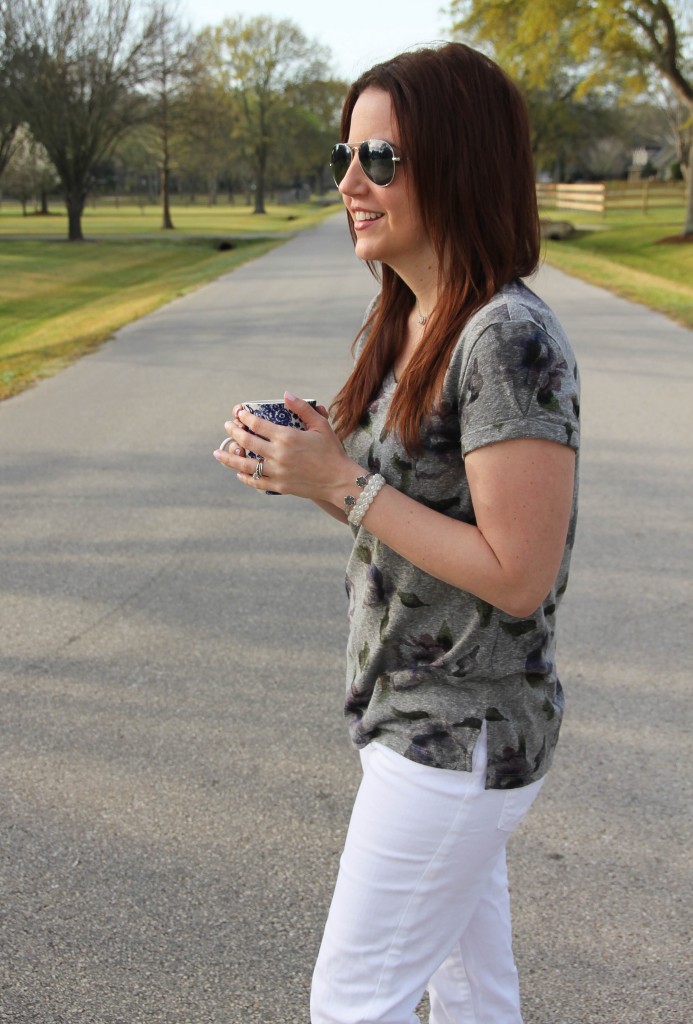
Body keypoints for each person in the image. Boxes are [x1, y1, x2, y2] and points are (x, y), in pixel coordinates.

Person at [213, 41, 580, 1024]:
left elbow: (518, 573)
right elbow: (413, 517)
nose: (349, 182)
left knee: (353, 1003)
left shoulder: (508, 337)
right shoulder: (417, 317)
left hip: (460, 731)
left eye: (379, 159)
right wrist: (314, 470)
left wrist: (344, 481)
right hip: (414, 714)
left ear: (458, 164)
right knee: (468, 994)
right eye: (348, 154)